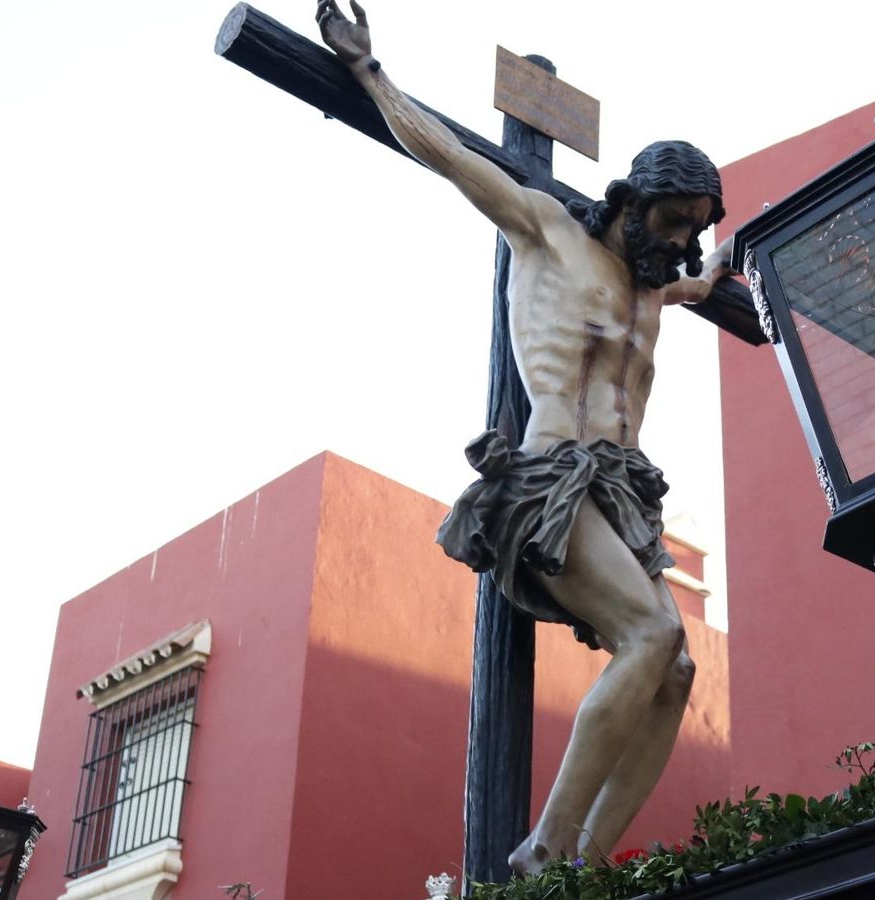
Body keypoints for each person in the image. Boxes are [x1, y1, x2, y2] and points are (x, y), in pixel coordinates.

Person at [315, 0, 737, 875]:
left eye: (694, 228)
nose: (682, 240)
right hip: (551, 477)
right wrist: (368, 71)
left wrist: (718, 266)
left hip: (623, 495)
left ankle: (585, 862)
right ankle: (544, 853)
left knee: (678, 672)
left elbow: (701, 282)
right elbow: (450, 157)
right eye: (675, 221)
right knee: (650, 640)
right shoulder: (547, 230)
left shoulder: (657, 288)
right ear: (636, 199)